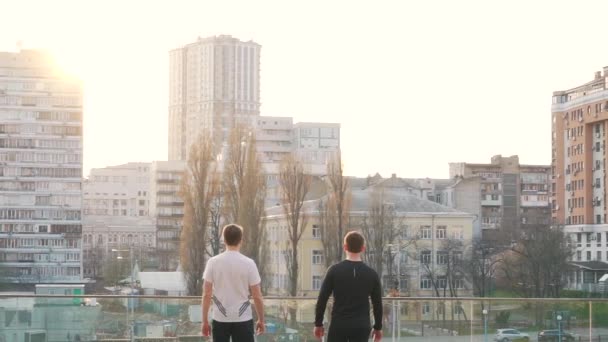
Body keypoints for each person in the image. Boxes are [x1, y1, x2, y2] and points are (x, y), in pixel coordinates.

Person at [314, 231, 383, 342]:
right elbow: (377, 304)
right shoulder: (372, 274)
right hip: (362, 326)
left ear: (345, 247)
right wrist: (378, 328)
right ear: (363, 248)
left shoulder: (334, 271)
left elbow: (322, 299)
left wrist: (318, 324)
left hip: (338, 325)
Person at [201, 224, 265, 341]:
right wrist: (261, 319)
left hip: (220, 319)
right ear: (241, 240)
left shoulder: (213, 262)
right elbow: (257, 295)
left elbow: (206, 294)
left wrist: (204, 321)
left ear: (224, 240)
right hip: (243, 319)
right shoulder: (249, 263)